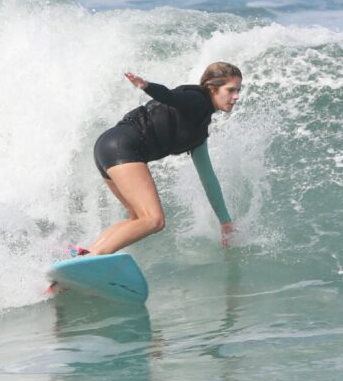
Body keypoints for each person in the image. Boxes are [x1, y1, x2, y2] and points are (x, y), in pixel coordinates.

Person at [82, 62, 242, 255]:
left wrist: (224, 221)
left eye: (238, 90)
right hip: (124, 146)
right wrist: (147, 86)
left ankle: (85, 255)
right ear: (212, 88)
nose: (236, 97)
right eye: (231, 90)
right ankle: (93, 257)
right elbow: (172, 97)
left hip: (108, 146)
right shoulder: (198, 99)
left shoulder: (198, 131)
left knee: (137, 218)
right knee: (154, 220)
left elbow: (208, 179)